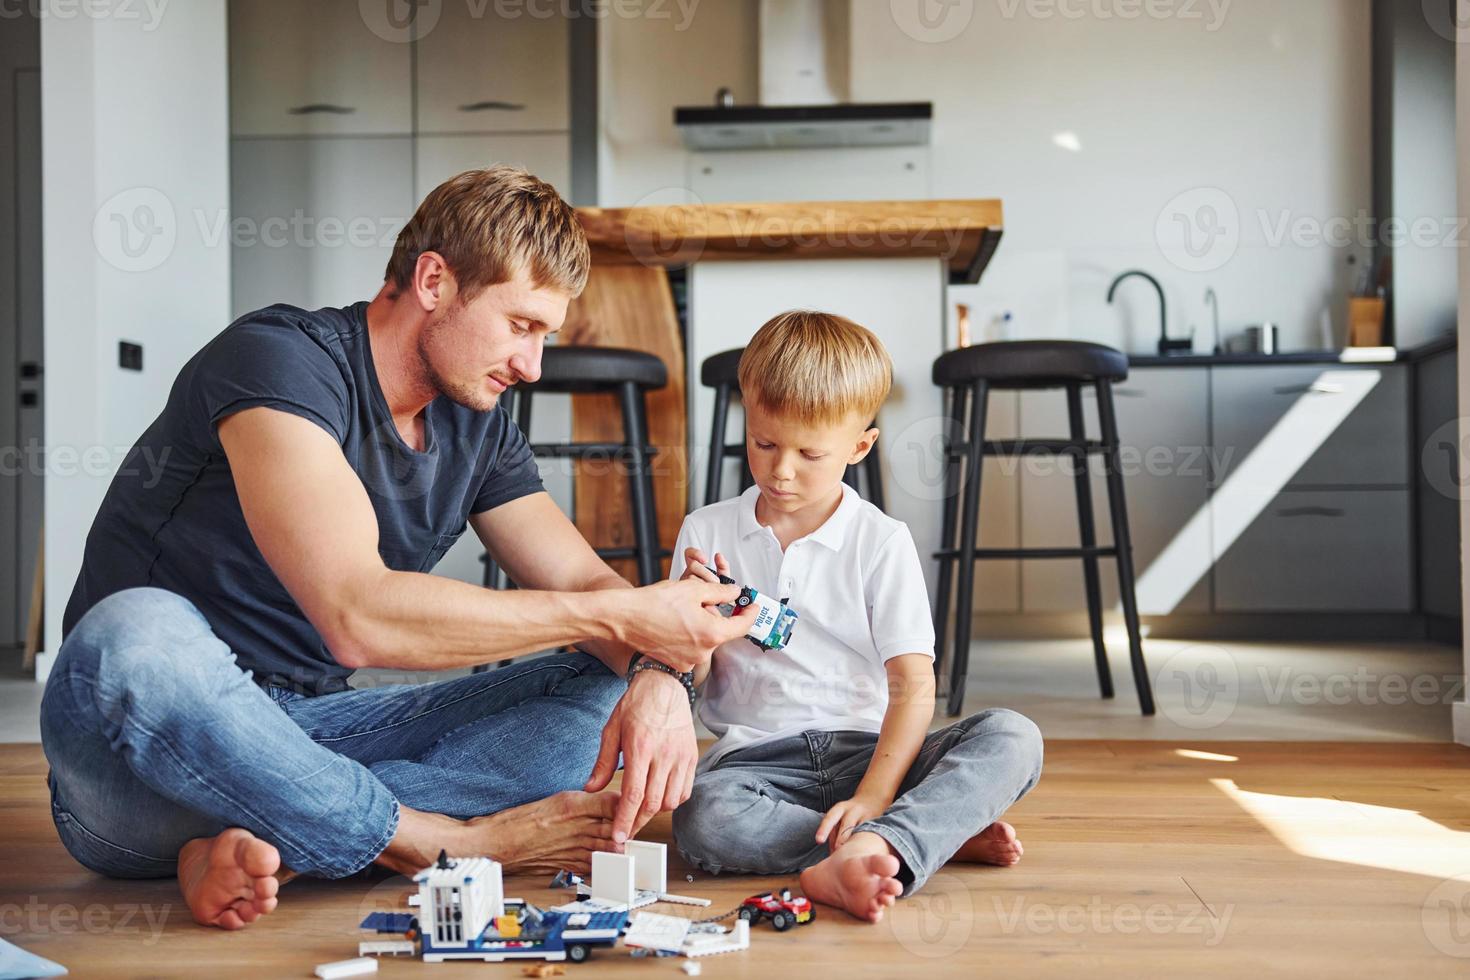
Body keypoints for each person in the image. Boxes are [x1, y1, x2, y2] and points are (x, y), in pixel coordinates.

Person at [40, 167, 751, 930]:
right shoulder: (279, 362)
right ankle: (431, 838)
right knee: (134, 631)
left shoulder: (477, 426)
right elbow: (358, 615)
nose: (534, 365)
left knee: (602, 694)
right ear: (435, 281)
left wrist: (657, 671)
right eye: (521, 325)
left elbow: (583, 580)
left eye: (546, 333)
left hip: (313, 735)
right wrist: (632, 621)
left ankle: (262, 837)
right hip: (146, 755)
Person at [670, 311, 1044, 922]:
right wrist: (697, 631)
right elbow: (694, 680)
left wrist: (873, 794)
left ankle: (880, 833)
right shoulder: (705, 530)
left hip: (871, 756)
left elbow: (914, 685)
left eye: (809, 454)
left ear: (859, 446)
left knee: (1012, 736)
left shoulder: (881, 540)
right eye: (763, 443)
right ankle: (911, 839)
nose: (781, 470)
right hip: (757, 765)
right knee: (704, 819)